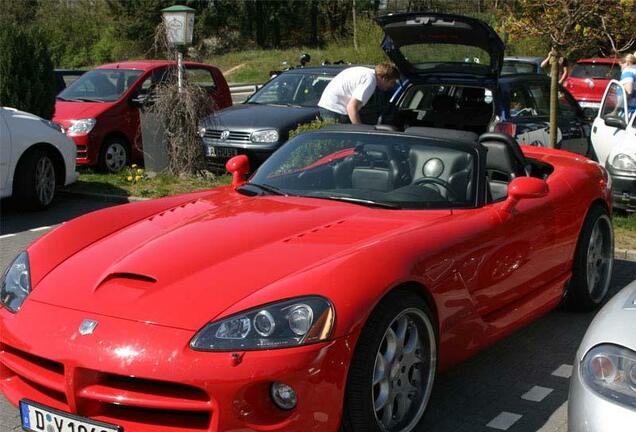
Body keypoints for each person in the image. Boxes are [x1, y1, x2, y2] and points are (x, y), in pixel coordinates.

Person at [318, 63, 399, 124]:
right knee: (343, 143)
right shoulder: (370, 80)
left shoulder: (366, 72)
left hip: (327, 106)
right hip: (336, 110)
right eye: (392, 82)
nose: (392, 86)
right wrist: (360, 132)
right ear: (384, 78)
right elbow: (352, 107)